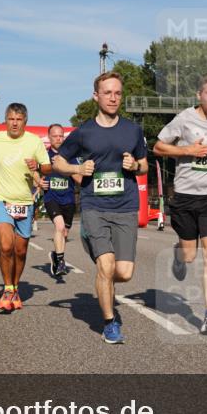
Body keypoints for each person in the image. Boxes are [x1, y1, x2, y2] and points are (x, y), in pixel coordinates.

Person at [52, 71, 148, 344]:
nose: (113, 97)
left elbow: (144, 165)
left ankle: (104, 282)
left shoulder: (133, 130)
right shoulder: (84, 132)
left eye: (117, 92)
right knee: (106, 267)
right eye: (107, 92)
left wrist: (135, 165)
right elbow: (58, 162)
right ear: (96, 96)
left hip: (126, 206)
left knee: (124, 273)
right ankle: (109, 323)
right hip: (95, 206)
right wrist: (76, 168)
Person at [154, 76, 207, 334]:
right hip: (185, 197)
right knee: (190, 255)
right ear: (199, 95)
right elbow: (158, 147)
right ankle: (179, 251)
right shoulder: (183, 119)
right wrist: (187, 151)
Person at [0, 102, 51, 312]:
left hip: (25, 202)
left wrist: (38, 167)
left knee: (21, 250)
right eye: (11, 119)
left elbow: (48, 167)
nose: (15, 123)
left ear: (25, 121)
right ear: (5, 120)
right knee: (6, 246)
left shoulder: (34, 142)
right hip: (0, 199)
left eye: (19, 119)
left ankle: (15, 286)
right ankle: (7, 288)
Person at [42, 123, 81, 277]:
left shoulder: (71, 156)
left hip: (69, 199)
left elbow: (79, 179)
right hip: (51, 197)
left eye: (60, 136)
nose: (58, 139)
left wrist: (66, 166)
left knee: (64, 233)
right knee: (59, 227)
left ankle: (55, 255)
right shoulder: (43, 155)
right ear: (49, 138)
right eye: (55, 136)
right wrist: (38, 181)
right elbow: (33, 173)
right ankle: (61, 262)